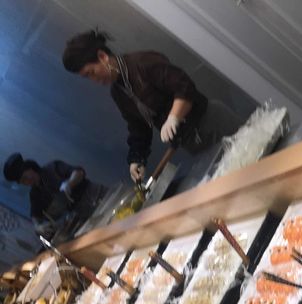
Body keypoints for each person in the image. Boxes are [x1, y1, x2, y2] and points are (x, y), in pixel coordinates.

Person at [62, 30, 241, 183]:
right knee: (232, 178)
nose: (93, 80)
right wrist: (136, 158)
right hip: (192, 143)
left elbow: (185, 88)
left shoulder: (143, 62)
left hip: (211, 123)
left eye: (91, 72)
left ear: (102, 57)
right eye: (87, 77)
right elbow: (138, 128)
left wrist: (173, 117)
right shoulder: (118, 93)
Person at [3, 153, 107, 240]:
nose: (27, 181)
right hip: (83, 213)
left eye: (25, 177)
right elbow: (35, 215)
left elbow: (79, 172)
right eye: (23, 181)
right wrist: (38, 226)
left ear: (30, 168)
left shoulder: (52, 168)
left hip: (98, 195)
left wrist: (69, 184)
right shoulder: (35, 194)